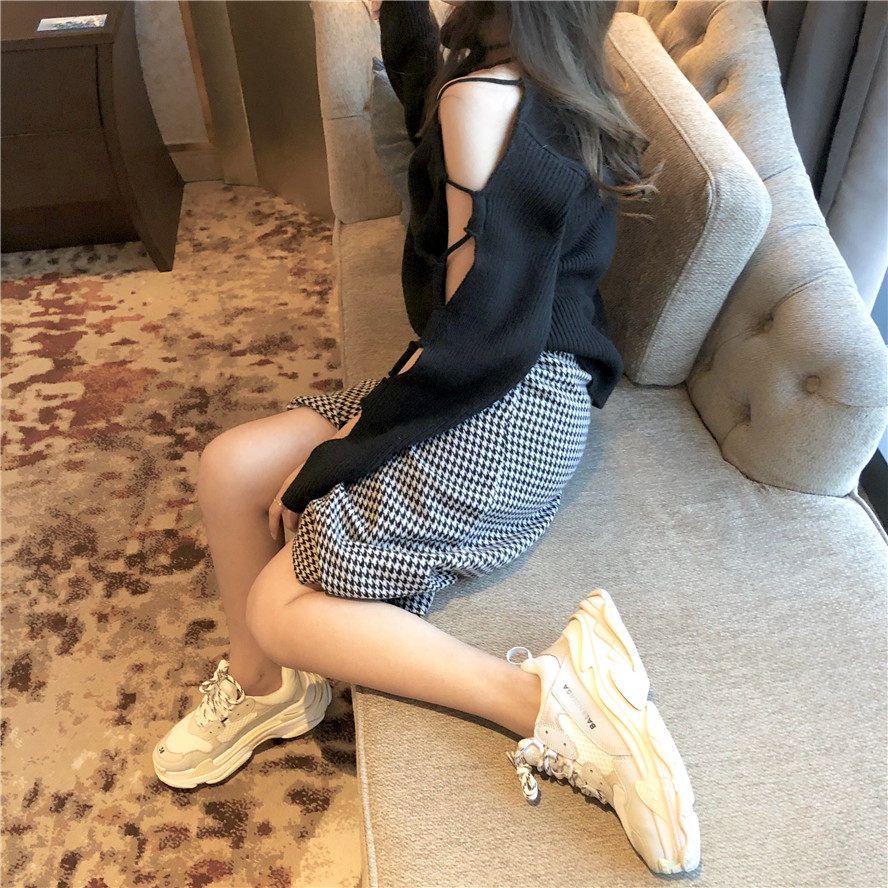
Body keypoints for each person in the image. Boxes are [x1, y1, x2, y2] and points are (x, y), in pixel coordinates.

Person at [152, 0, 700, 875]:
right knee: (229, 468)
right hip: (501, 377)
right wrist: (398, 15)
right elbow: (437, 128)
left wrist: (335, 461)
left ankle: (547, 701)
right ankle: (266, 690)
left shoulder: (485, 99)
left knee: (277, 605)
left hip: (508, 403)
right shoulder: (544, 72)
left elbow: (481, 347)